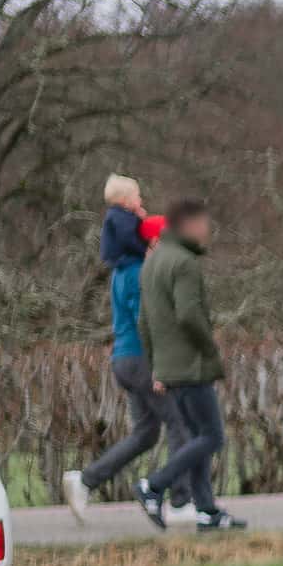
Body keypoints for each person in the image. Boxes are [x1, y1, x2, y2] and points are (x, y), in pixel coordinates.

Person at [64, 175, 172, 525]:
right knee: (183, 423)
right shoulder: (138, 271)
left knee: (146, 433)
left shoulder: (122, 268)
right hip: (142, 360)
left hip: (125, 360)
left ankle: (85, 481)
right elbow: (146, 322)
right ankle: (183, 500)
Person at [138, 197, 235, 531]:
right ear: (189, 225)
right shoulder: (184, 262)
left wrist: (156, 366)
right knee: (212, 436)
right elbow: (189, 314)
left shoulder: (151, 262)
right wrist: (210, 350)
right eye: (204, 224)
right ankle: (154, 485)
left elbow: (143, 323)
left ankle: (206, 512)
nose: (207, 231)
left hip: (169, 367)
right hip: (191, 365)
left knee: (197, 438)